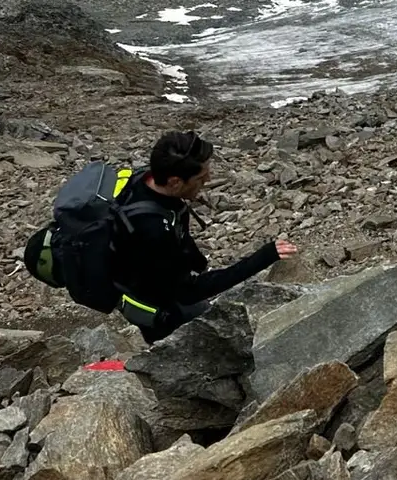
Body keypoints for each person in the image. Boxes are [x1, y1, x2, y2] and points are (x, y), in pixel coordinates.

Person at [114, 130, 299, 343]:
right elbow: (190, 291)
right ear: (175, 182)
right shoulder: (152, 231)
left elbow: (178, 227)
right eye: (201, 178)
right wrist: (264, 257)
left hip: (152, 274)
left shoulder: (148, 180)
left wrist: (198, 262)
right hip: (153, 304)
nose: (209, 179)